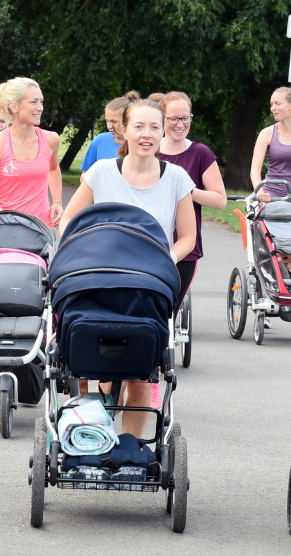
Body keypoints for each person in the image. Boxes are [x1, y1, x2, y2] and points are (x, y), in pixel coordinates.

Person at [60, 92, 196, 437]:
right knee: (88, 359)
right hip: (99, 277)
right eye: (139, 126)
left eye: (155, 127)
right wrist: (78, 252)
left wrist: (166, 259)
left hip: (147, 281)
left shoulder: (177, 177)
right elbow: (69, 221)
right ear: (123, 130)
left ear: (164, 132)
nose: (147, 134)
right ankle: (89, 434)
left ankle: (129, 447)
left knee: (141, 371)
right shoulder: (102, 172)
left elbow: (187, 239)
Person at [152, 91, 227, 301]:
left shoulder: (200, 153)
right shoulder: (150, 150)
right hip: (148, 242)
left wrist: (184, 189)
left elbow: (220, 200)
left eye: (185, 118)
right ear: (162, 118)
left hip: (184, 247)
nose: (180, 124)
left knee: (170, 310)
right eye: (173, 118)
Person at [0, 77, 63, 227]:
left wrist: (57, 201)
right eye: (33, 102)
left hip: (41, 228)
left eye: (41, 102)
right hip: (5, 227)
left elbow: (54, 169)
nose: (40, 108)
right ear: (14, 106)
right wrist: (2, 216)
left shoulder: (51, 140)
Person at [78, 97, 127, 172]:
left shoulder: (139, 145)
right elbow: (84, 175)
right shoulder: (100, 140)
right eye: (107, 121)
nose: (109, 126)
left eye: (114, 122)